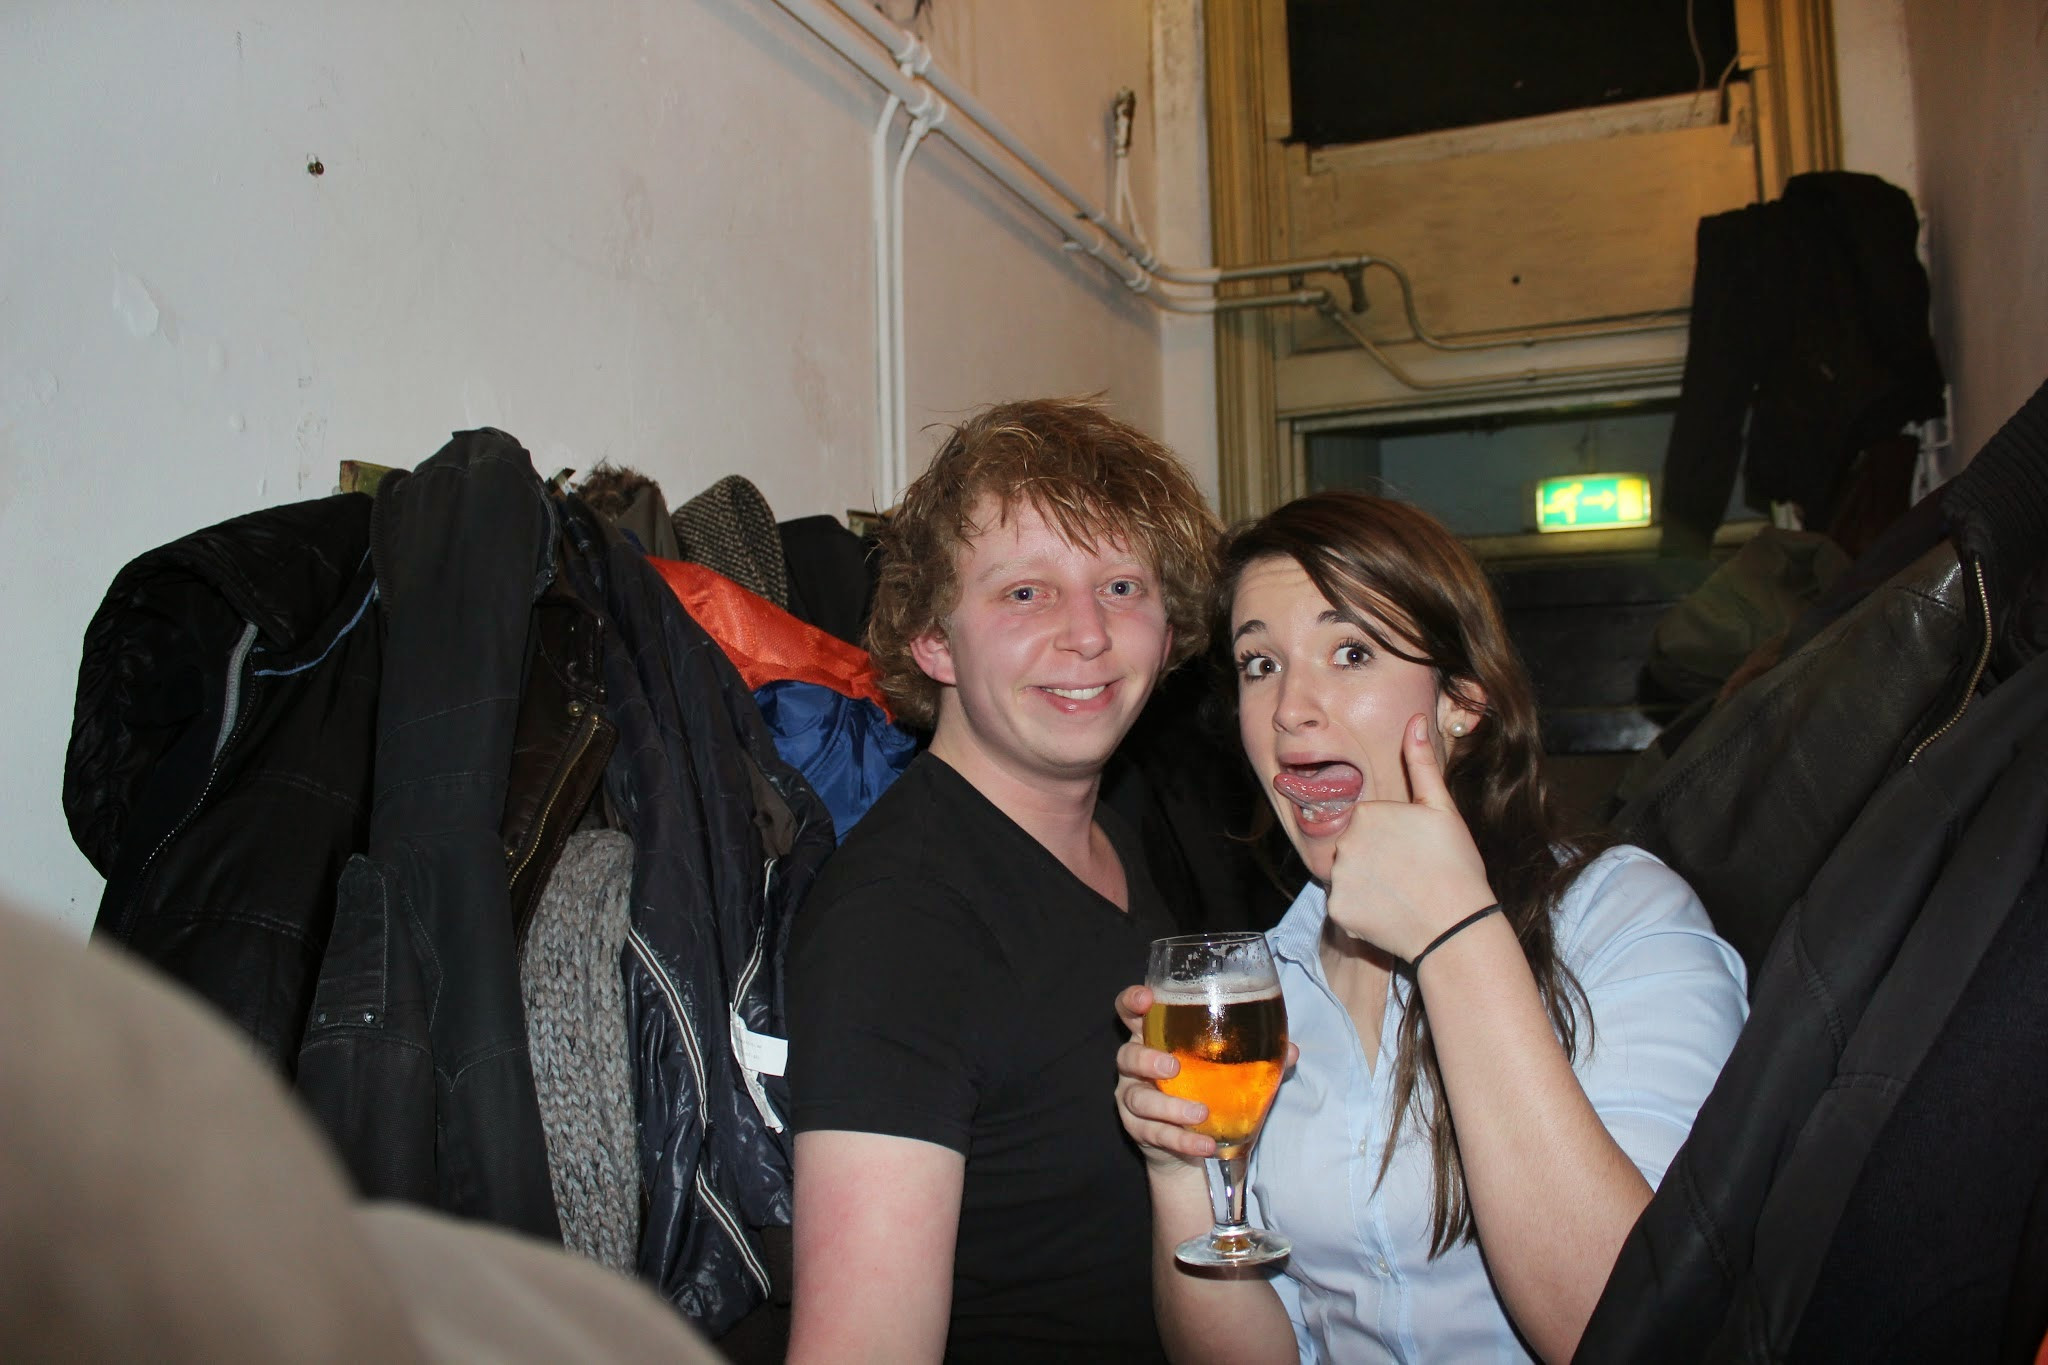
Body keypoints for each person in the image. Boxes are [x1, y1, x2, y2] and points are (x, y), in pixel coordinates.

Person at [1115, 491, 1749, 1364]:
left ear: (1463, 700)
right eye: (1259, 663)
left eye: (1351, 652)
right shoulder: (1268, 992)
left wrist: (1456, 937)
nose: (1291, 706)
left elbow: (1632, 1329)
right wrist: (1185, 1172)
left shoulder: (1624, 921)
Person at [784, 397, 1221, 1362]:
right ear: (933, 639)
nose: (1088, 634)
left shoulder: (1111, 837)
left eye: (1122, 586)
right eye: (1026, 592)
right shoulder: (902, 924)